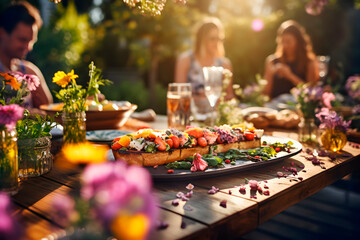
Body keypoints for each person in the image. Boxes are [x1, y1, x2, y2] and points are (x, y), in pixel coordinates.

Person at [174, 17, 235, 118]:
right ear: (201, 39)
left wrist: (220, 99)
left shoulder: (225, 64)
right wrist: (199, 98)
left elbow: (230, 96)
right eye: (212, 39)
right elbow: (179, 95)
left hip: (216, 117)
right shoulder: (185, 60)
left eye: (219, 39)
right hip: (190, 117)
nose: (216, 43)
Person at [0, 1, 53, 108]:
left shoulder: (29, 72)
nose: (29, 47)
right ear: (2, 33)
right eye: (22, 40)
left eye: (31, 41)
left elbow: (49, 111)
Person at [263, 20, 319, 99]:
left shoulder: (309, 62)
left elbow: (311, 92)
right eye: (282, 41)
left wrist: (289, 75)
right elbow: (266, 93)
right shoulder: (272, 61)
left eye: (288, 42)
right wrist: (271, 74)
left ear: (298, 42)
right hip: (275, 106)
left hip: (297, 106)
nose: (285, 45)